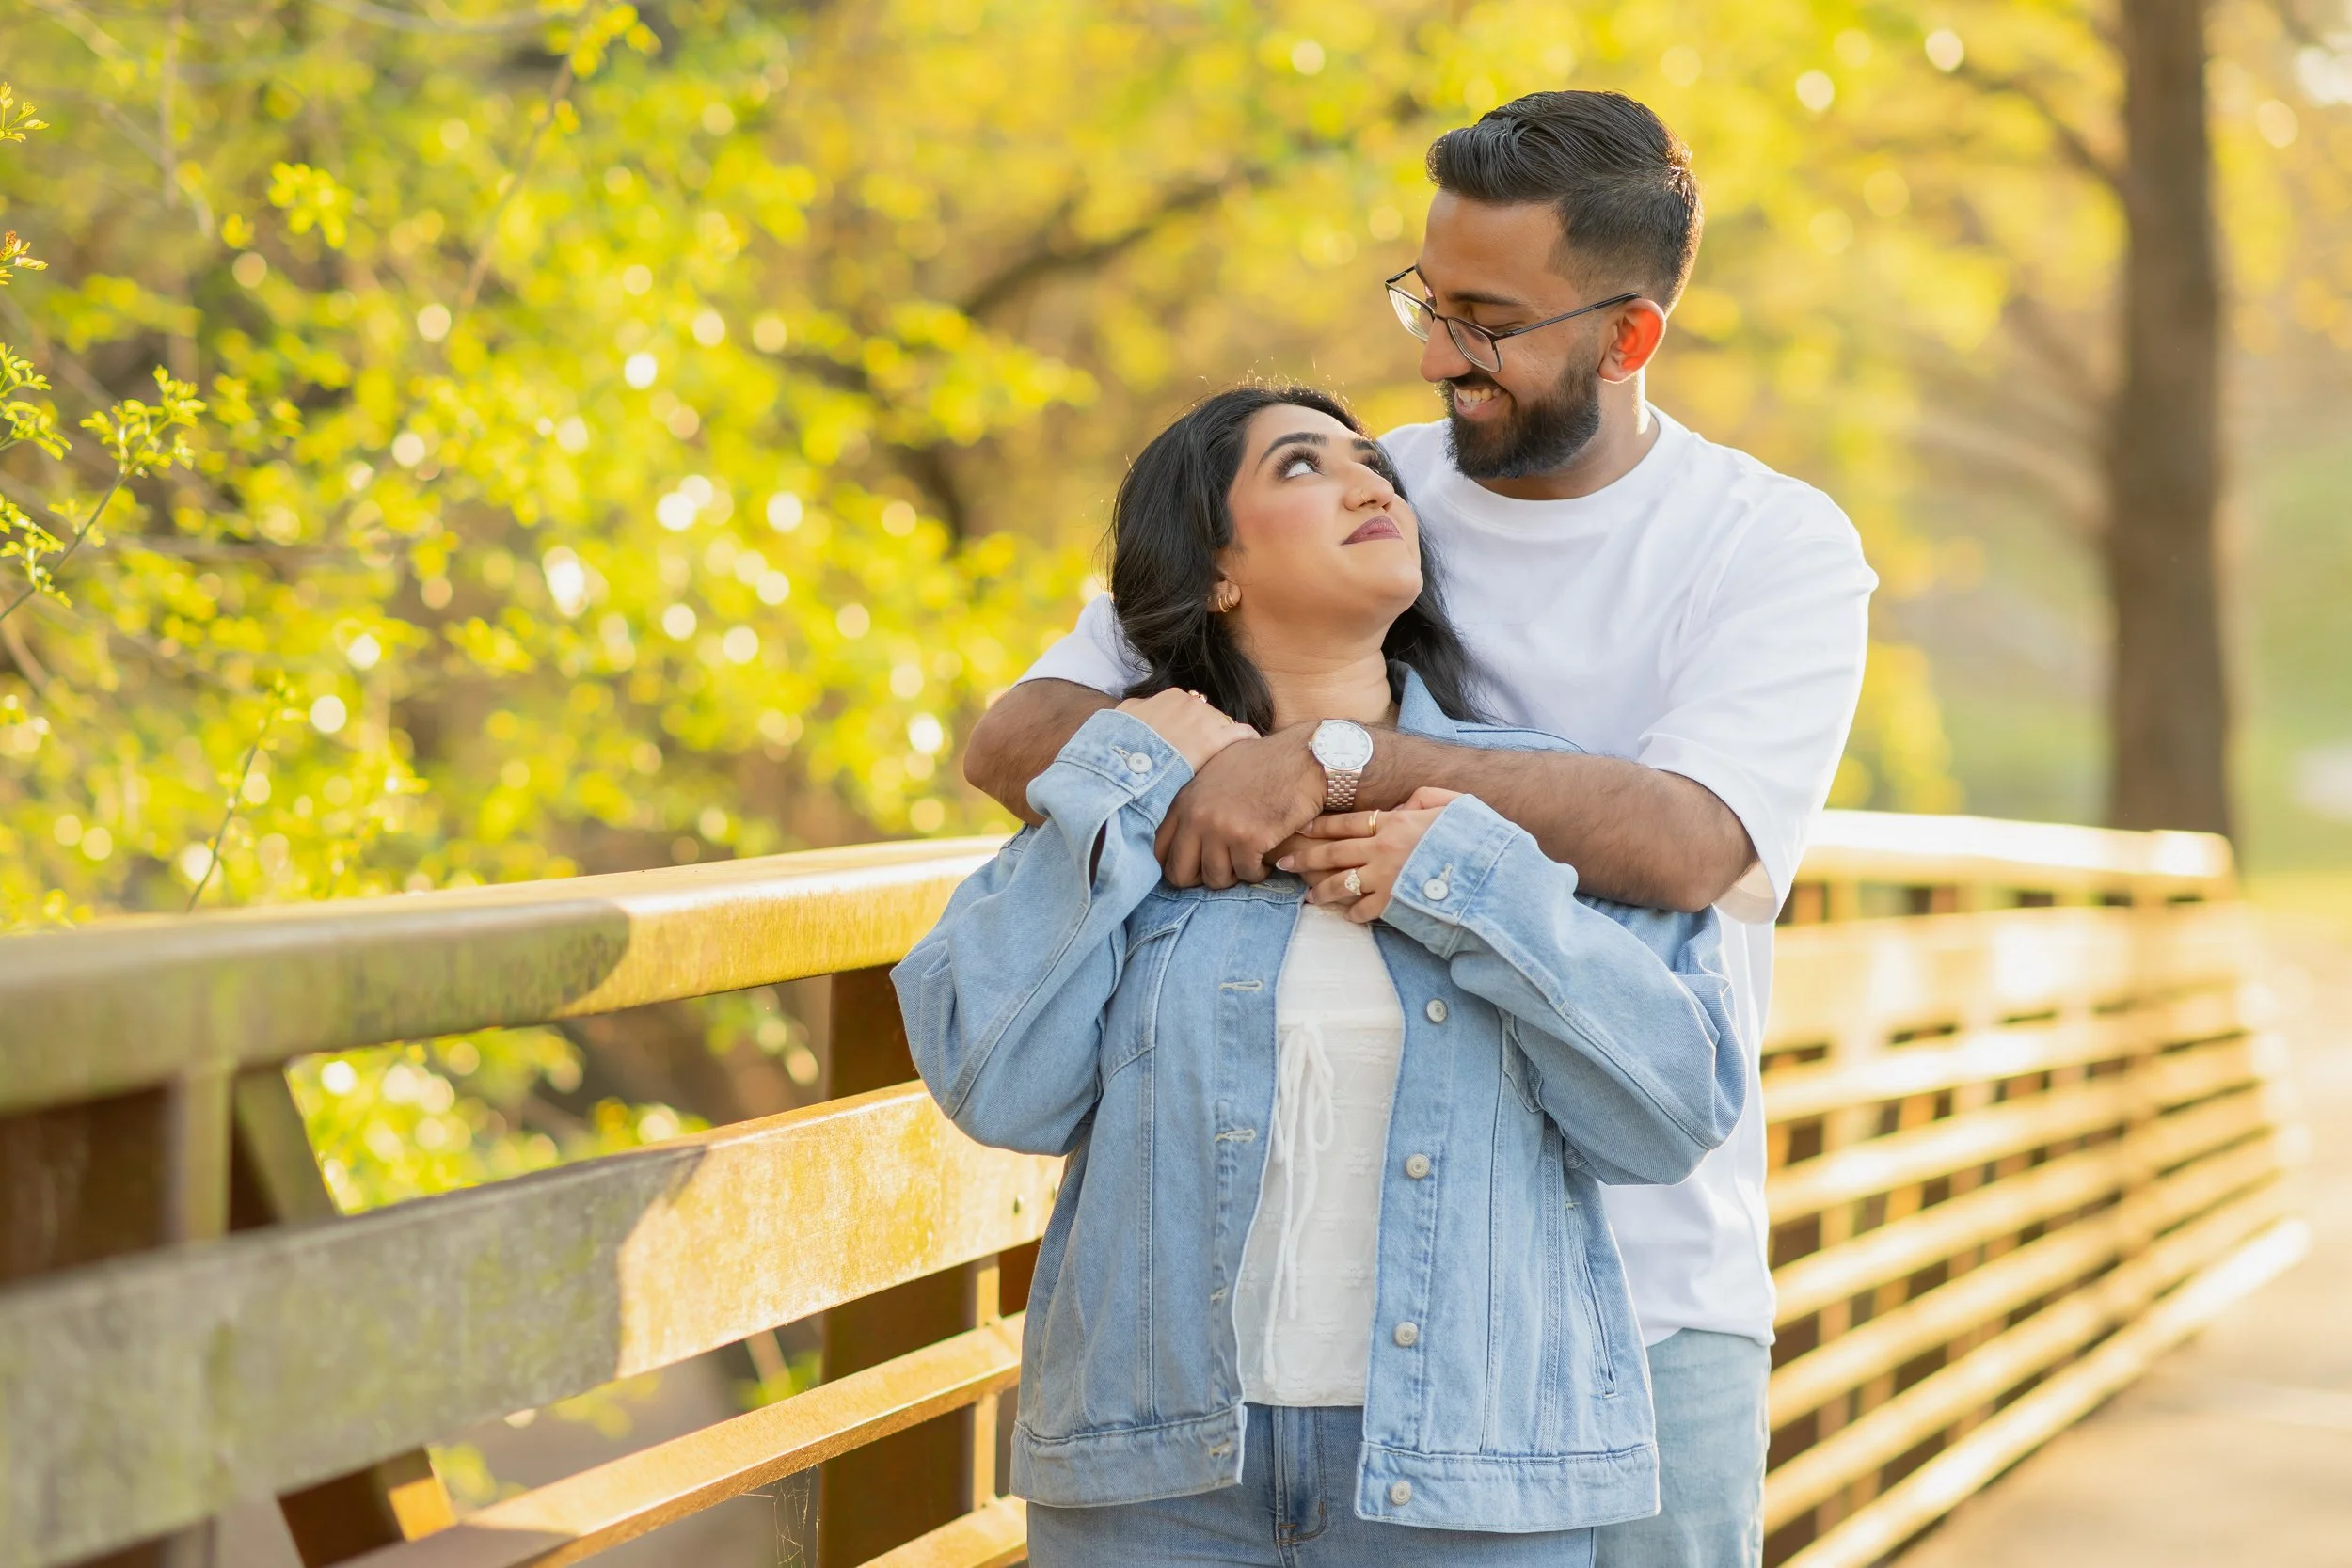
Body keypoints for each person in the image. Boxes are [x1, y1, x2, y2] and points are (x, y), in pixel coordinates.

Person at [964, 92, 1877, 1567]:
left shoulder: (1766, 543)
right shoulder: (1354, 489)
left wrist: (1337, 760)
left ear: (1628, 335)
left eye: (1489, 322)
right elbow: (1017, 736)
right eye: (1427, 300)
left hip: (1652, 1284)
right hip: (1276, 1355)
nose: (1439, 355)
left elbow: (1694, 841)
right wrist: (1185, 751)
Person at [897, 386, 1746, 1566]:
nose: (1369, 483)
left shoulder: (1532, 804)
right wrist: (1132, 781)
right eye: (1302, 465)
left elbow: (1671, 1108)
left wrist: (1469, 886)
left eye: (1372, 465)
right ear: (1215, 572)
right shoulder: (1134, 801)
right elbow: (998, 1086)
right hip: (1156, 1480)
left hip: (1465, 1480)